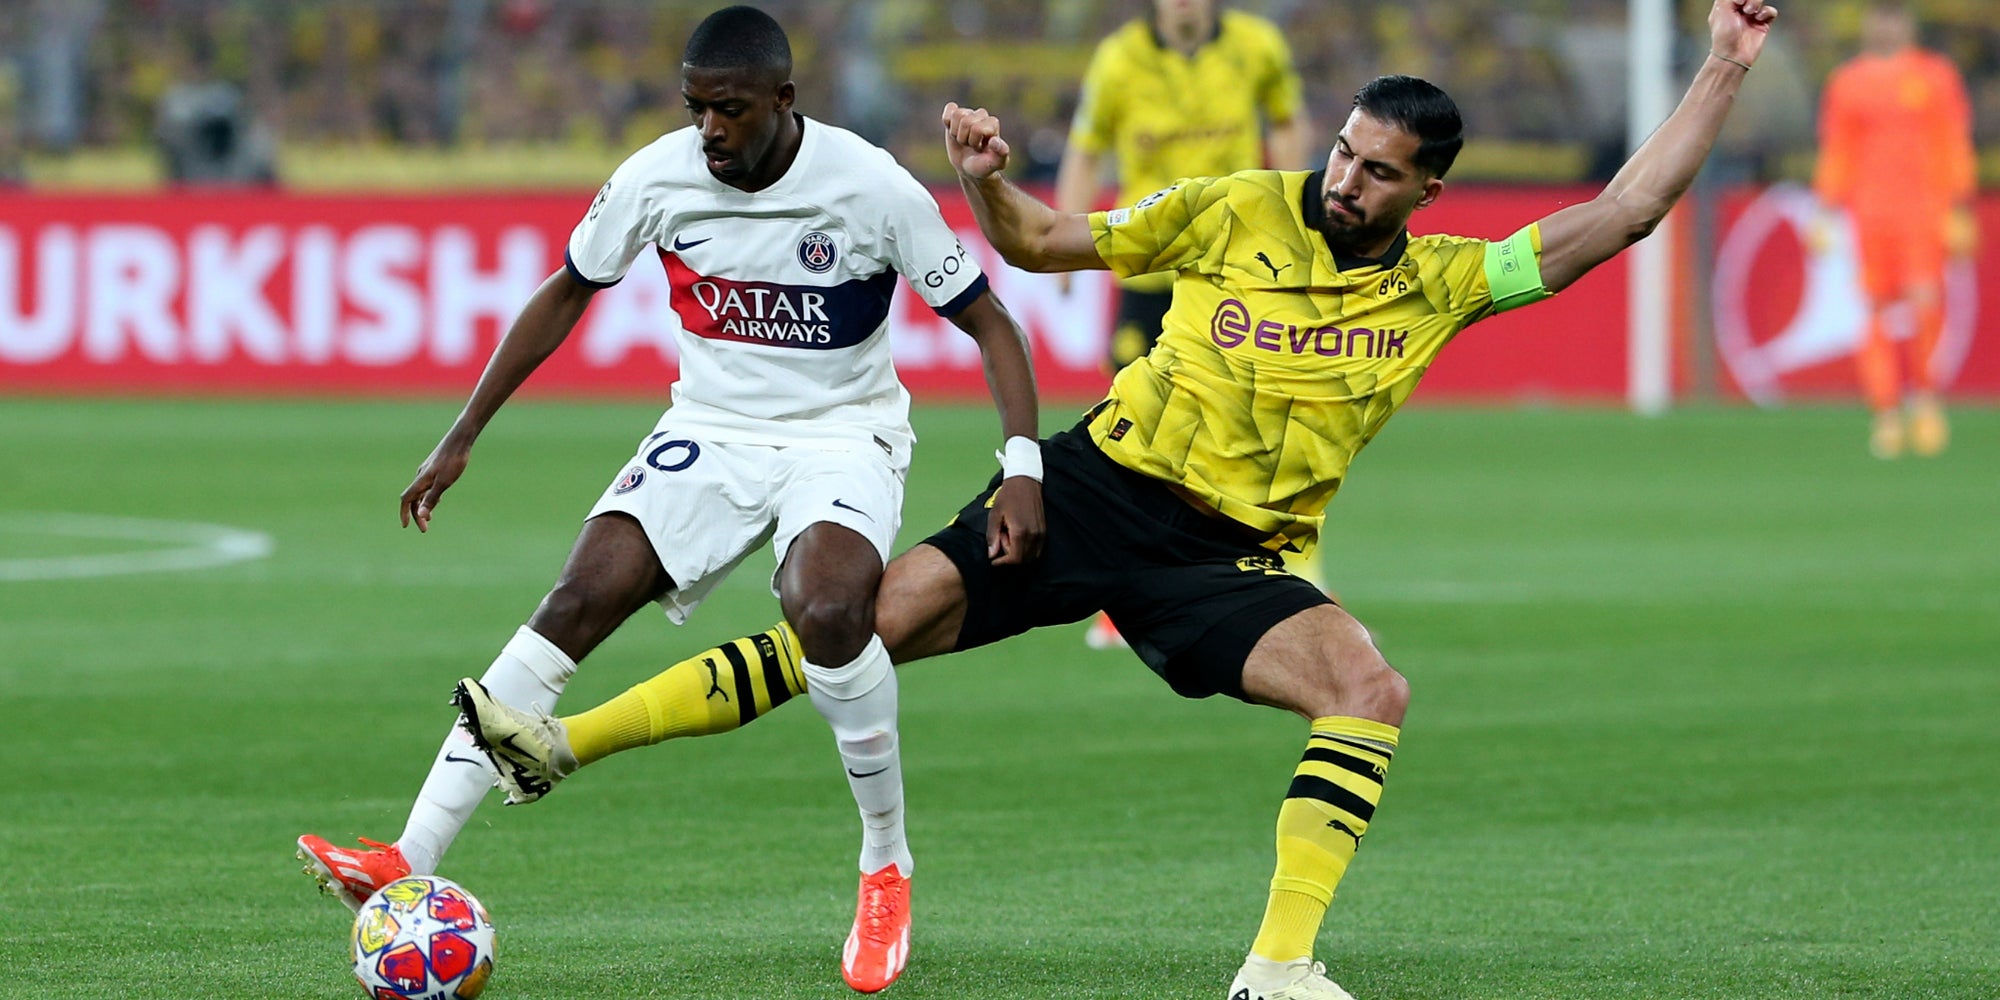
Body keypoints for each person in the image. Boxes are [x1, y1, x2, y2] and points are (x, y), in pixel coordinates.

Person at [460, 2, 1777, 997]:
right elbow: (1036, 244)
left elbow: (1627, 210)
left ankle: (1277, 968)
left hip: (1234, 559)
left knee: (1369, 689)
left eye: (1379, 173)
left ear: (1428, 191)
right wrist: (984, 170)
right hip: (1095, 488)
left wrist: (1721, 62)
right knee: (854, 620)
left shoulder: (1443, 287)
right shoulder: (1230, 208)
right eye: (1341, 153)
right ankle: (565, 745)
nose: (1343, 182)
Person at [294, 6, 1044, 995]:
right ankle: (409, 853)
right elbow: (566, 288)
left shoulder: (868, 187)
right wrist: (463, 431)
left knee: (824, 610)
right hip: (711, 428)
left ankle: (882, 862)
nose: (709, 131)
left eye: (728, 109)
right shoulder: (658, 177)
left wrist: (1022, 463)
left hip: (839, 433)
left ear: (782, 100)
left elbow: (989, 322)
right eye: (694, 108)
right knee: (572, 600)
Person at [1056, 0, 1314, 648]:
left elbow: (1286, 126)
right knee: (1137, 430)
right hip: (1148, 265)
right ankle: (1120, 592)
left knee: (1257, 418)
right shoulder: (1119, 59)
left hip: (1233, 261)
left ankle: (1284, 568)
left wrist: (1297, 212)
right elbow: (1085, 153)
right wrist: (1063, 238)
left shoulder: (1258, 47)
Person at [1813, 1, 1976, 458]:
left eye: (1893, 14)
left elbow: (1952, 140)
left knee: (1925, 304)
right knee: (1875, 312)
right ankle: (1885, 413)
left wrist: (1959, 205)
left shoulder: (1935, 75)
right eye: (1878, 14)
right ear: (1868, 22)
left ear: (1906, 22)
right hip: (1870, 212)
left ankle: (1925, 401)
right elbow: (1838, 147)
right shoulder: (1847, 82)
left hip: (1923, 210)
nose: (1885, 23)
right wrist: (1826, 209)